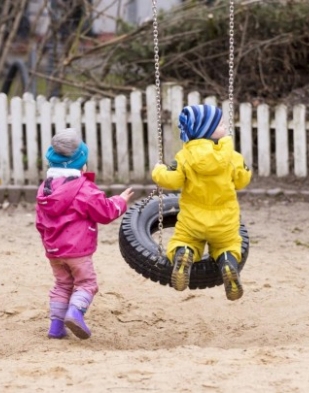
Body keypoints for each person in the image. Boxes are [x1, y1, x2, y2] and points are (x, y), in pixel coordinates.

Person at [36, 129, 133, 340]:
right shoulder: (84, 189)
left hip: (54, 251)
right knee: (86, 284)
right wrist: (121, 201)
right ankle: (75, 312)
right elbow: (105, 212)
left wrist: (48, 243)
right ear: (82, 165)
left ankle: (56, 327)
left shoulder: (45, 189)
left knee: (62, 285)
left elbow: (39, 222)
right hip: (78, 251)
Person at [152, 104, 252, 300]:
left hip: (193, 219)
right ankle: (228, 263)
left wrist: (158, 171)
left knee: (184, 240)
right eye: (221, 124)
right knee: (229, 244)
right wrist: (244, 169)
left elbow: (171, 180)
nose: (225, 127)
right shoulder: (232, 156)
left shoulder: (185, 157)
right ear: (208, 129)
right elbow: (242, 180)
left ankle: (184, 255)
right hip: (225, 219)